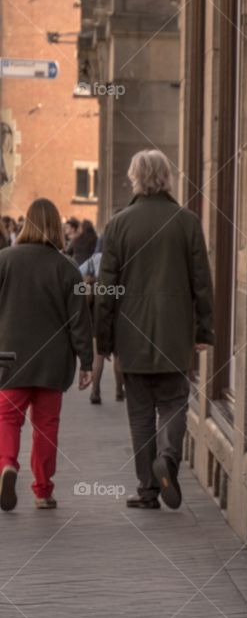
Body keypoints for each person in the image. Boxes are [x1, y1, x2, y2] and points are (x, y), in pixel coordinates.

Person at [96, 149, 214, 510]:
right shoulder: (187, 221)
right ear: (167, 178)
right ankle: (169, 459)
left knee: (141, 413)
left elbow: (107, 289)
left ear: (135, 178)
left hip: (131, 336)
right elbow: (202, 283)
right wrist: (202, 332)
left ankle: (147, 489)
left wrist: (104, 338)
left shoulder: (118, 224)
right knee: (175, 402)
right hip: (175, 334)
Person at [0, 198, 93, 511]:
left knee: (7, 419)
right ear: (57, 227)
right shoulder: (68, 269)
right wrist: (87, 363)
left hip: (9, 358)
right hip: (53, 362)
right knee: (46, 427)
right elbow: (80, 320)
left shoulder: (4, 260)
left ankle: (7, 465)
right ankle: (42, 490)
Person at [79, 249, 124, 405]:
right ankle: (119, 391)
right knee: (118, 354)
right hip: (118, 306)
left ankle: (95, 391)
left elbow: (79, 272)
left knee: (98, 354)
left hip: (97, 309)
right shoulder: (123, 256)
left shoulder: (95, 258)